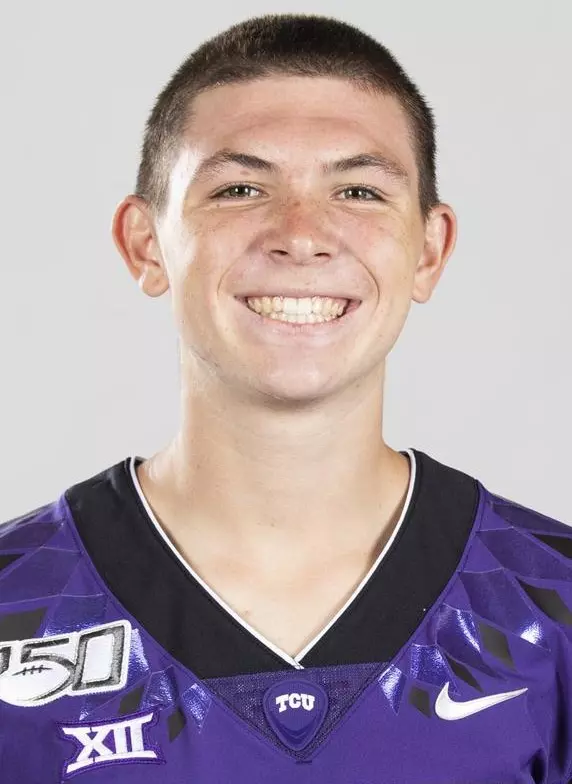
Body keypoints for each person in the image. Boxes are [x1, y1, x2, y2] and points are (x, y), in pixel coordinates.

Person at [1, 12, 570, 783]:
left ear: (429, 250)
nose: (301, 234)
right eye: (240, 187)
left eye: (360, 190)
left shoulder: (552, 608)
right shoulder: (16, 605)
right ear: (146, 243)